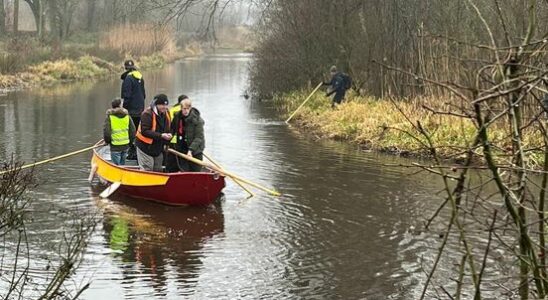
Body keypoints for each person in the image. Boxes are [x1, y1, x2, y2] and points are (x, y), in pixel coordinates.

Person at [135, 94, 172, 172]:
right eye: (162, 105)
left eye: (165, 105)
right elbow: (145, 131)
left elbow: (168, 129)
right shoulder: (147, 114)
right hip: (144, 147)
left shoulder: (167, 113)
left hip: (157, 147)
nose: (164, 107)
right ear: (156, 104)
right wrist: (161, 135)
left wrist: (168, 139)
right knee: (147, 169)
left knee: (158, 170)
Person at [170, 97, 205, 172]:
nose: (185, 111)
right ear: (181, 108)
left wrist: (190, 150)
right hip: (182, 149)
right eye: (184, 109)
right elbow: (172, 130)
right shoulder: (177, 117)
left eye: (187, 109)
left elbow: (199, 138)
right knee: (184, 170)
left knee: (195, 171)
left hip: (195, 150)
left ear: (190, 108)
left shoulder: (198, 121)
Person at [121, 59, 146, 160]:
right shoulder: (140, 77)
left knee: (131, 132)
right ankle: (138, 152)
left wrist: (124, 108)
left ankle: (132, 153)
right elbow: (144, 95)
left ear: (125, 68)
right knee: (137, 132)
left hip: (131, 110)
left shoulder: (128, 79)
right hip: (140, 109)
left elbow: (127, 96)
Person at [103, 98, 136, 166]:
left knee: (116, 166)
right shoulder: (127, 116)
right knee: (122, 165)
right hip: (125, 146)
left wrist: (107, 142)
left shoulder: (110, 117)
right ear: (120, 106)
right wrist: (129, 143)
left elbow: (107, 133)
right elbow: (132, 131)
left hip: (115, 146)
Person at [165, 95, 188, 172]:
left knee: (172, 159)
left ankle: (171, 172)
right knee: (181, 160)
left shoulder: (171, 110)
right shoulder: (183, 111)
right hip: (180, 140)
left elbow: (168, 124)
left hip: (171, 139)